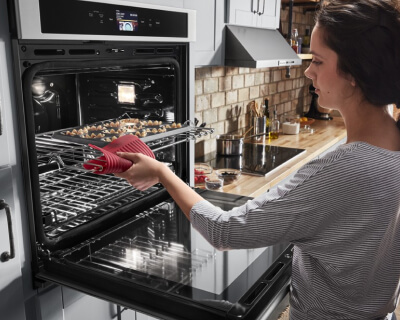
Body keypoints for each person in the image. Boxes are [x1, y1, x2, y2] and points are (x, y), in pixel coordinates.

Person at [115, 0, 400, 318]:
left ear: (354, 73)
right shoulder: (392, 144)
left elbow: (225, 231)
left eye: (318, 61)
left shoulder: (346, 168)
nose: (308, 70)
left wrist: (161, 172)